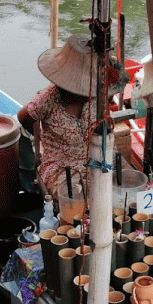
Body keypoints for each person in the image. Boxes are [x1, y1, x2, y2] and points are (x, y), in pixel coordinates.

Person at [18, 34, 123, 200]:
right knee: (74, 202)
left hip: (96, 157)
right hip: (61, 165)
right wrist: (40, 138)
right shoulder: (47, 99)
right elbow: (24, 117)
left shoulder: (97, 94)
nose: (87, 94)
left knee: (120, 193)